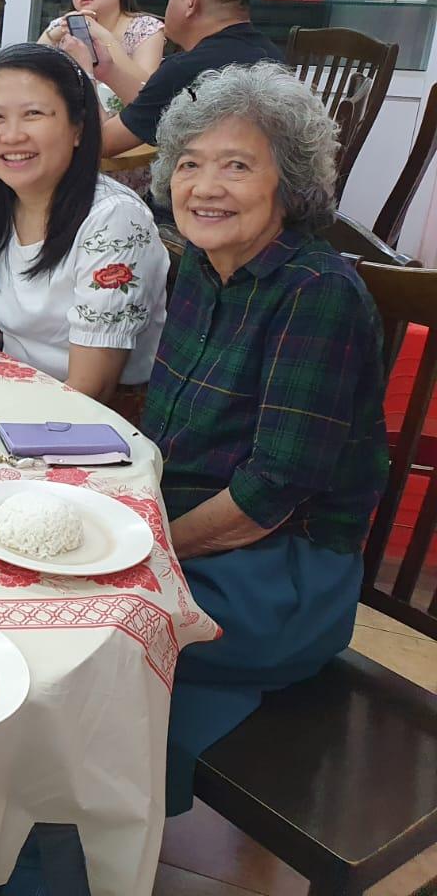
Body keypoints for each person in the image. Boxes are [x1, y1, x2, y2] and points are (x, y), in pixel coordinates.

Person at [147, 62, 387, 816]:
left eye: (238, 165)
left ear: (290, 186)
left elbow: (267, 495)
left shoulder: (315, 294)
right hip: (201, 540)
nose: (205, 187)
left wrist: (149, 555)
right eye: (190, 165)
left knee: (81, 633)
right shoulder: (202, 267)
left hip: (281, 579)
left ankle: (70, 846)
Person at [0, 44, 167, 408]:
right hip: (12, 396)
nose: (11, 136)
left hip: (95, 423)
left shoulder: (114, 221)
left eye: (33, 114)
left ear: (78, 128)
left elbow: (92, 388)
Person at [80, 0, 283, 156]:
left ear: (192, 2)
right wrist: (108, 71)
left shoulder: (184, 70)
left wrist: (87, 74)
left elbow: (101, 143)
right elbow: (157, 107)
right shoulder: (273, 57)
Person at [41, 0, 165, 109]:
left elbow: (146, 87)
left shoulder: (146, 28)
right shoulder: (62, 26)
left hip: (124, 123)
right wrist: (53, 35)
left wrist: (101, 33)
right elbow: (30, 74)